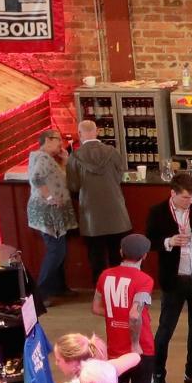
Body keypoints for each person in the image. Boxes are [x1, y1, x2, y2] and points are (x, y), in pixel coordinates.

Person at [147, 173, 192, 383]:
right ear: (173, 194)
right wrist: (169, 242)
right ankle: (157, 375)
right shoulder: (157, 212)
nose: (189, 202)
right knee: (166, 328)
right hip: (174, 276)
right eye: (185, 198)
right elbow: (150, 241)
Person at [69, 120, 132, 280]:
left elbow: (73, 185)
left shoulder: (75, 156)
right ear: (97, 132)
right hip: (116, 212)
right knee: (117, 254)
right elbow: (119, 177)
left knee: (96, 256)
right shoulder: (112, 152)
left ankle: (101, 289)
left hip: (91, 215)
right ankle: (119, 290)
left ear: (79, 134)